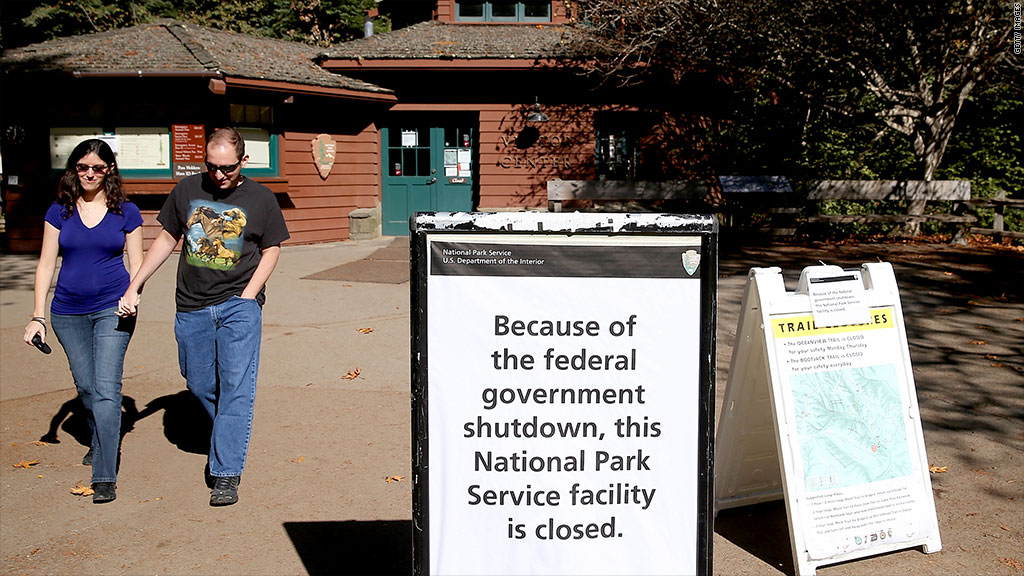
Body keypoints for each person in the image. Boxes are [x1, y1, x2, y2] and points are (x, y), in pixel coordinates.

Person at [119, 127, 289, 506]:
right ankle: (226, 435)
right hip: (191, 305)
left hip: (238, 305)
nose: (219, 175)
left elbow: (272, 249)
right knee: (198, 386)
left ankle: (226, 472)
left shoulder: (261, 198)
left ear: (243, 161)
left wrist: (248, 297)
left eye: (227, 168)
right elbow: (166, 239)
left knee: (236, 388)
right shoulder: (186, 190)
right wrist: (136, 284)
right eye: (212, 167)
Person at [24, 139, 144, 504]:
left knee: (107, 389)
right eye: (82, 167)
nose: (90, 173)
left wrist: (133, 294)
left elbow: (138, 263)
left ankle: (104, 474)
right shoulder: (59, 212)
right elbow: (46, 264)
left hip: (113, 307)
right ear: (74, 169)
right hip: (67, 313)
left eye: (97, 167)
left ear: (109, 170)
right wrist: (37, 316)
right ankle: (100, 438)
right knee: (88, 388)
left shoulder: (126, 212)